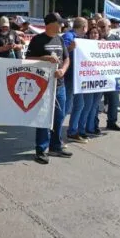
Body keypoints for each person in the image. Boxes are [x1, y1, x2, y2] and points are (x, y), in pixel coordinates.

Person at [26, 13, 72, 164]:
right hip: (43, 86)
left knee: (59, 117)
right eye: (59, 23)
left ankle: (55, 146)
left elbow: (66, 59)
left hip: (59, 85)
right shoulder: (37, 40)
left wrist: (63, 71)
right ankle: (41, 149)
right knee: (43, 118)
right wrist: (44, 58)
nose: (62, 26)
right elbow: (27, 59)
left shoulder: (60, 39)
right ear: (51, 24)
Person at [62, 17, 89, 143]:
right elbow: (61, 53)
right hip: (70, 76)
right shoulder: (69, 36)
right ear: (84, 27)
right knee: (66, 106)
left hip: (79, 77)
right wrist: (70, 48)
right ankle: (55, 134)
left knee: (79, 104)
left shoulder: (82, 39)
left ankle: (72, 132)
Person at [97, 18, 120, 131]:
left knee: (114, 101)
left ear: (109, 27)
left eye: (102, 27)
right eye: (98, 27)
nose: (100, 29)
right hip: (96, 76)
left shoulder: (117, 39)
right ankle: (93, 124)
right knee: (96, 102)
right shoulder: (93, 38)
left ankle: (112, 122)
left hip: (112, 76)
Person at [82, 26, 106, 137]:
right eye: (92, 33)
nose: (94, 35)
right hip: (88, 80)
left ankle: (91, 127)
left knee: (95, 105)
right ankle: (82, 127)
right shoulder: (83, 44)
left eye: (96, 33)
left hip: (100, 79)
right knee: (88, 105)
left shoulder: (104, 45)